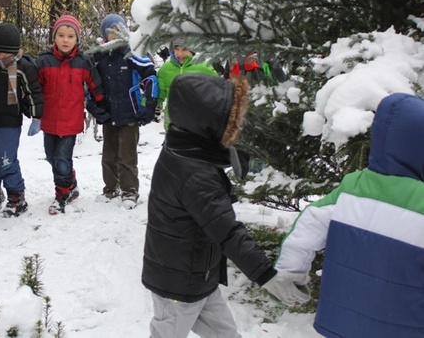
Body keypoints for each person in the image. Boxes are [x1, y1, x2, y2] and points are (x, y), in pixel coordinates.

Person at [142, 73, 309, 338]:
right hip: (178, 284)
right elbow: (227, 231)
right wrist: (267, 275)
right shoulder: (196, 175)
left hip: (198, 274)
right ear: (207, 124)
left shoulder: (183, 147)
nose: (238, 128)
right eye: (232, 122)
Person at [274, 92, 424, 338]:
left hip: (341, 321)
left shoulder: (351, 188)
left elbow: (308, 225)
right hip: (404, 325)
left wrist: (291, 271)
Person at [37, 14, 105, 215]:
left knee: (61, 159)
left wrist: (101, 103)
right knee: (52, 157)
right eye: (61, 35)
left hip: (71, 121)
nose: (65, 40)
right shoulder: (44, 61)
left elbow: (95, 85)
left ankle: (62, 194)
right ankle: (71, 182)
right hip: (49, 120)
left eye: (70, 36)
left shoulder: (83, 62)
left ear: (76, 39)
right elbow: (36, 88)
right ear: (54, 37)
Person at [92, 14, 158, 208]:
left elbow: (150, 77)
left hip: (130, 114)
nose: (116, 34)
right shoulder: (99, 57)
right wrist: (94, 106)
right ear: (105, 35)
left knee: (127, 156)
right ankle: (111, 188)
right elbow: (90, 82)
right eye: (111, 31)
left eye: (119, 30)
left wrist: (149, 104)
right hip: (108, 113)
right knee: (109, 155)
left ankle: (130, 191)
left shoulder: (133, 54)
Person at [0, 23, 43, 217]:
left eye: (4, 53)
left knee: (7, 161)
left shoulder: (23, 67)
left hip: (8, 124)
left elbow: (34, 92)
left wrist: (36, 116)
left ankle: (16, 196)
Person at [156, 38, 217, 131]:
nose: (180, 54)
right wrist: (145, 106)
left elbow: (216, 93)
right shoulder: (165, 69)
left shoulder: (204, 67)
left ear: (192, 50)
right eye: (176, 49)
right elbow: (159, 93)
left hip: (197, 126)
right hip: (172, 125)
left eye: (184, 49)